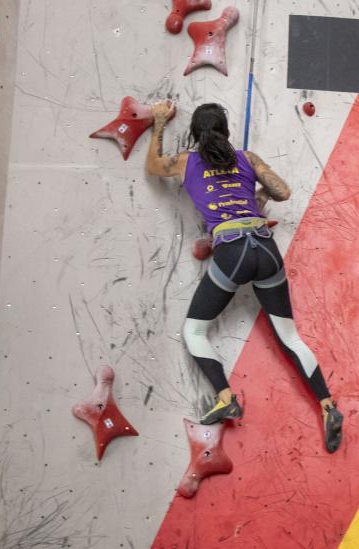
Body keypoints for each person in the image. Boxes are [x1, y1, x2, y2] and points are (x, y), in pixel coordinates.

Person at [145, 100, 344, 453]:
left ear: (195, 134)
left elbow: (153, 167)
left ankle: (225, 396)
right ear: (227, 131)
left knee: (194, 330)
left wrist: (159, 122)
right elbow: (282, 191)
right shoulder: (246, 157)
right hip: (264, 248)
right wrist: (257, 198)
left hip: (233, 250)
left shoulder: (186, 161)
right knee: (289, 336)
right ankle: (328, 406)